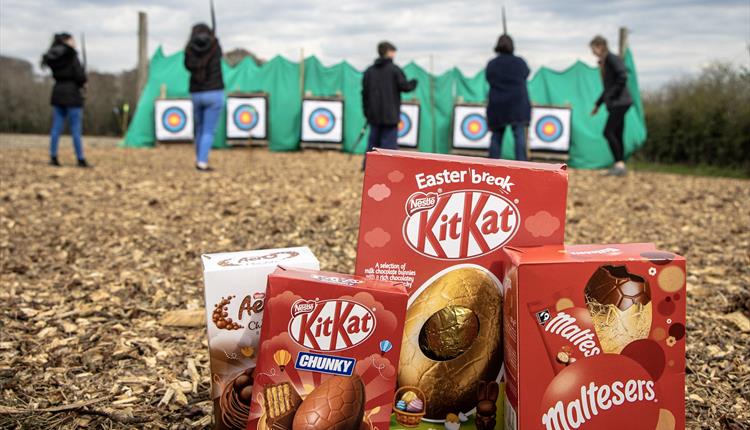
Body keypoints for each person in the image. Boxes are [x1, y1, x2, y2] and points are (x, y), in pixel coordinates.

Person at [361, 41, 417, 168]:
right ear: (389, 52)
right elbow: (405, 87)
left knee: (373, 144)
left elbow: (364, 94)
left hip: (373, 116)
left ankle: (369, 168)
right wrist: (414, 82)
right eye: (393, 52)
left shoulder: (369, 71)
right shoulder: (394, 70)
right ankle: (388, 169)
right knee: (389, 147)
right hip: (390, 117)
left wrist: (367, 113)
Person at [41, 33, 89, 167]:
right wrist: (83, 81)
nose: (74, 42)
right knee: (75, 129)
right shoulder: (71, 55)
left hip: (57, 91)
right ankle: (80, 159)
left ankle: (53, 156)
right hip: (72, 93)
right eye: (72, 40)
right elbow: (79, 75)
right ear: (66, 41)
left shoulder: (54, 55)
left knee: (56, 127)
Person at [590, 35, 633, 176]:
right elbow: (608, 88)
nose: (592, 52)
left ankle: (619, 164)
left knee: (608, 132)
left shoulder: (612, 58)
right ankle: (620, 166)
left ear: (600, 46)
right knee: (617, 133)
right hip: (618, 102)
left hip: (620, 102)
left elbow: (623, 76)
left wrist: (611, 95)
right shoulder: (605, 62)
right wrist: (598, 104)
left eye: (593, 48)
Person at [184, 23, 224, 172]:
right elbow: (218, 52)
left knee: (200, 129)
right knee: (208, 130)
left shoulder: (189, 50)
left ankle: (199, 159)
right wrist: (215, 39)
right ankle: (202, 162)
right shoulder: (214, 46)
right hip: (214, 93)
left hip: (196, 93)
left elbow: (187, 65)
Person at [485, 34, 531, 161]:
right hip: (518, 104)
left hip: (498, 104)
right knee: (519, 136)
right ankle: (523, 168)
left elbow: (488, 78)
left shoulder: (492, 64)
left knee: (496, 136)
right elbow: (526, 74)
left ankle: (492, 168)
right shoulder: (520, 62)